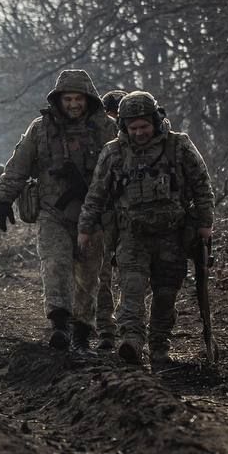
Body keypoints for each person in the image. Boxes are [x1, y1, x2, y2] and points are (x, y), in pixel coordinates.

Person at [78, 91, 214, 369]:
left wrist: (205, 224)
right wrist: (85, 228)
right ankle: (132, 341)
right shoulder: (113, 152)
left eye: (144, 126)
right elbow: (96, 194)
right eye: (133, 128)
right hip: (132, 235)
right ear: (124, 126)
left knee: (166, 294)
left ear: (155, 121)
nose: (139, 132)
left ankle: (160, 346)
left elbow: (202, 185)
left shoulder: (178, 146)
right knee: (132, 290)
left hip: (172, 235)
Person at [0, 69, 113, 351]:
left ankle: (82, 331)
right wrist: (3, 199)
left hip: (94, 215)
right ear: (58, 100)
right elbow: (18, 165)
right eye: (68, 99)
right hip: (52, 211)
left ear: (88, 99)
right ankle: (60, 324)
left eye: (78, 99)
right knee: (55, 264)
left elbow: (123, 164)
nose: (73, 104)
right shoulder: (41, 129)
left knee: (88, 275)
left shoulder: (106, 129)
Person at [94, 89, 129, 350]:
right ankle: (106, 327)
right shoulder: (98, 138)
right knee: (101, 272)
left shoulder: (145, 137)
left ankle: (129, 326)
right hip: (105, 214)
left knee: (132, 274)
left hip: (132, 216)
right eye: (112, 115)